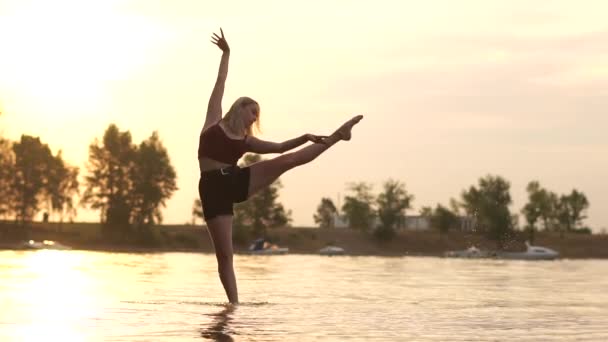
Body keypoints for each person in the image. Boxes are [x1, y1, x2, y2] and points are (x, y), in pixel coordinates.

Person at [199, 28, 363, 304]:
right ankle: (234, 308)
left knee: (286, 162)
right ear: (240, 108)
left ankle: (337, 136)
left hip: (235, 182)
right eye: (253, 111)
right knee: (225, 256)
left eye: (257, 115)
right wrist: (227, 53)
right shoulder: (213, 122)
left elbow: (280, 148)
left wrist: (305, 137)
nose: (255, 117)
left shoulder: (246, 141)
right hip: (212, 189)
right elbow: (220, 83)